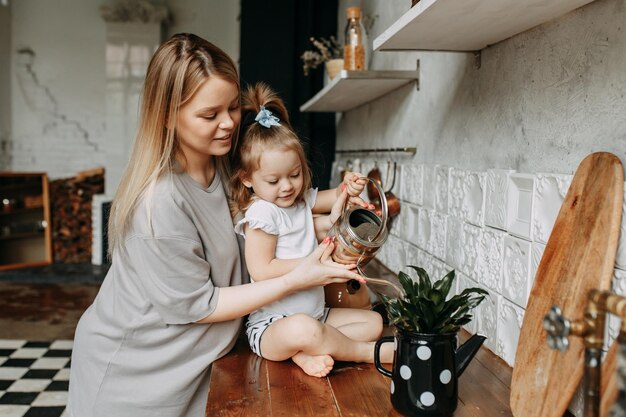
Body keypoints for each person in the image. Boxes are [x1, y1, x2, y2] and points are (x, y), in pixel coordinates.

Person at [67, 33, 364, 417]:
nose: (227, 124)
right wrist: (298, 276)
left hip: (198, 364)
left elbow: (274, 221)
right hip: (134, 376)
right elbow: (202, 305)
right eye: (209, 115)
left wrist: (335, 217)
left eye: (232, 108)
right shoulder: (159, 204)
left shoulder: (226, 168)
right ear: (167, 116)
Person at [230, 83, 394, 378]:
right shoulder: (262, 212)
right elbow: (262, 268)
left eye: (294, 174)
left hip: (318, 314)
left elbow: (332, 196)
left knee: (373, 323)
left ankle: (310, 350)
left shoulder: (299, 198)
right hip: (274, 324)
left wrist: (349, 185)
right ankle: (364, 353)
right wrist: (313, 265)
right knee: (303, 329)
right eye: (273, 180)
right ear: (247, 179)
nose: (287, 186)